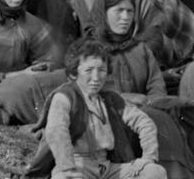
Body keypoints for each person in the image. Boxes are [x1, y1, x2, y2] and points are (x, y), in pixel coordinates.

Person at [26, 39, 167, 179]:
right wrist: (67, 167)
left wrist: (148, 157)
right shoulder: (65, 97)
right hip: (77, 165)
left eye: (102, 70)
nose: (96, 77)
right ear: (74, 73)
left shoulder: (110, 99)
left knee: (154, 172)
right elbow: (56, 131)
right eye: (88, 70)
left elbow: (144, 123)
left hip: (107, 167)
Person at [88, 0, 167, 106]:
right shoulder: (89, 52)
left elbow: (156, 86)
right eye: (119, 10)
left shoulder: (141, 49)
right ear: (103, 13)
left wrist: (152, 103)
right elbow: (90, 93)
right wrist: (125, 98)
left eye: (130, 11)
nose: (125, 17)